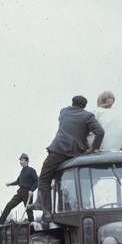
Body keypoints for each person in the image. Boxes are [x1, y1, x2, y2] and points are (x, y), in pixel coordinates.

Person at [34, 95, 104, 224]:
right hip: (77, 153)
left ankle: (47, 212)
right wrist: (93, 148)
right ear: (84, 106)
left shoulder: (64, 111)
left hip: (58, 151)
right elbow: (100, 132)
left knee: (44, 180)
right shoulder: (88, 116)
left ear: (72, 103)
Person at [0, 153, 38, 225]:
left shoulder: (31, 170)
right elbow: (18, 181)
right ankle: (0, 223)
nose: (20, 162)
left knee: (29, 211)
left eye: (22, 160)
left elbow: (36, 181)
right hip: (20, 192)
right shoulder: (22, 171)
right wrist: (10, 184)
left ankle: (32, 226)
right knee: (9, 205)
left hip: (27, 193)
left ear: (26, 161)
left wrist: (32, 190)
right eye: (20, 160)